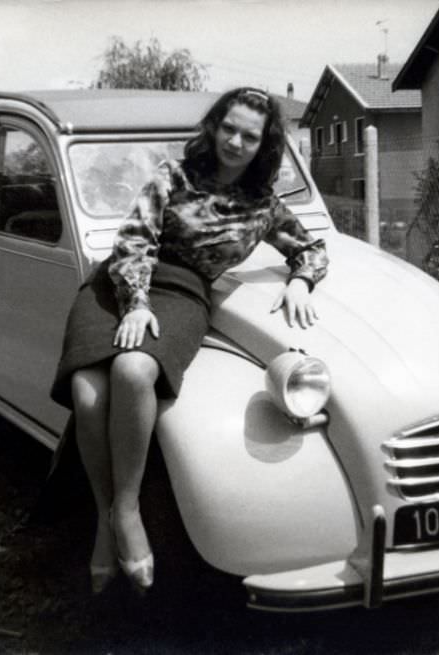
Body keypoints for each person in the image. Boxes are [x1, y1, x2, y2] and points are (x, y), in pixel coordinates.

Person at [49, 87, 329, 595]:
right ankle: (104, 519)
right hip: (116, 283)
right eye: (229, 128)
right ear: (214, 126)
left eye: (250, 135)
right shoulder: (172, 176)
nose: (236, 142)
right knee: (89, 396)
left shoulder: (262, 205)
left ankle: (128, 510)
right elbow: (134, 241)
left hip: (183, 292)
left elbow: (311, 246)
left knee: (134, 371)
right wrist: (135, 303)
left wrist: (300, 280)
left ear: (265, 144)